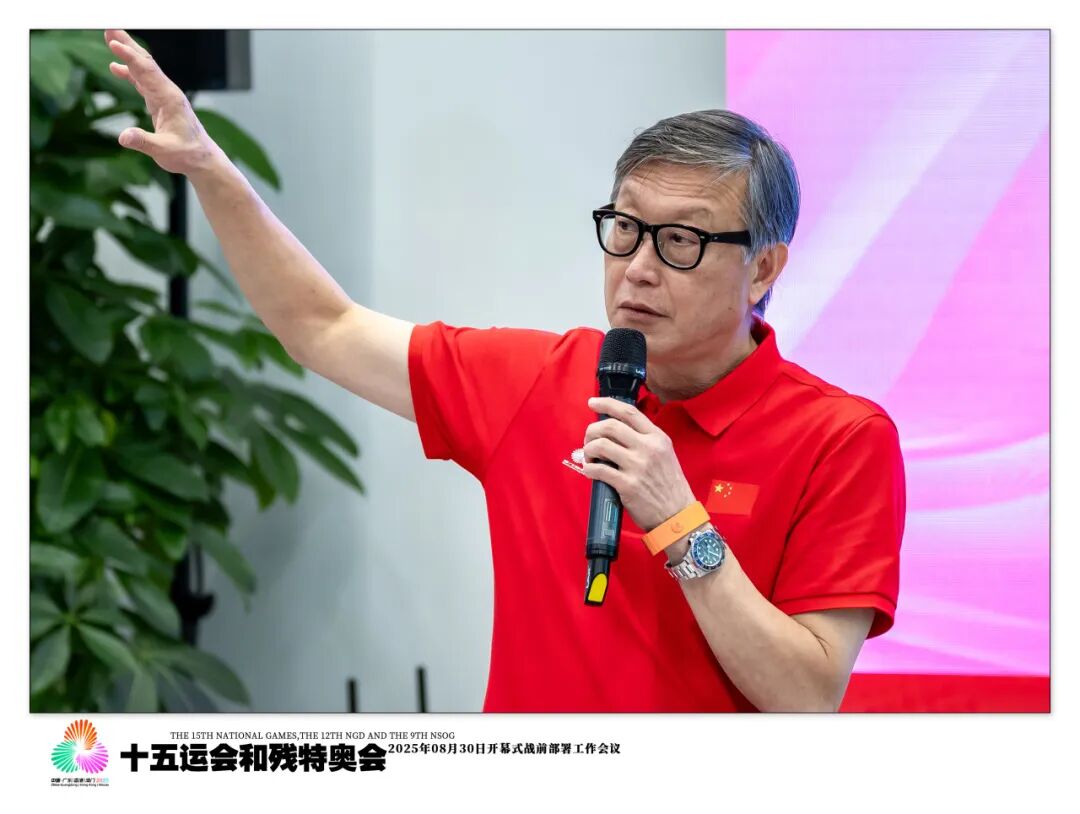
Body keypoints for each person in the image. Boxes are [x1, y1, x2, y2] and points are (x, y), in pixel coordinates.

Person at [103, 29, 905, 713]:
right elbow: (324, 326)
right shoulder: (538, 378)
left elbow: (807, 696)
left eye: (681, 242)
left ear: (763, 268)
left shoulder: (842, 440)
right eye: (625, 228)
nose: (638, 268)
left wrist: (680, 522)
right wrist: (211, 169)